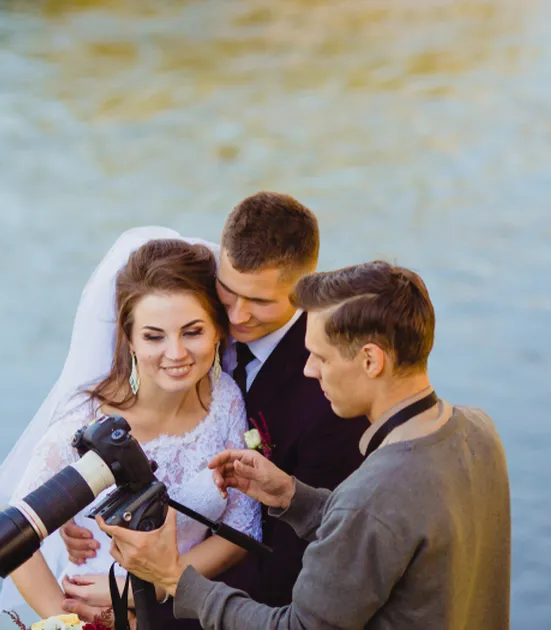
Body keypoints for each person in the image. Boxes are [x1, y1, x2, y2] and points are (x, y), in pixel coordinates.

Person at [96, 261, 512, 629]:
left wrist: (173, 578)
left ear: (371, 361)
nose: (310, 370)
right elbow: (385, 532)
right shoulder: (477, 429)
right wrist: (293, 497)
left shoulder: (371, 497)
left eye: (321, 357)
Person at [60, 192, 370, 611]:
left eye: (260, 302)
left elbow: (285, 560)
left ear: (305, 289)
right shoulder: (194, 317)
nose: (237, 316)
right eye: (227, 292)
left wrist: (146, 604)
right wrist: (71, 515)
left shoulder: (326, 397)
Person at [0, 230, 261, 630]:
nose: (176, 353)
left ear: (218, 329)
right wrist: (64, 619)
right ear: (128, 338)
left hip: (187, 612)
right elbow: (8, 534)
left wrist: (150, 585)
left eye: (192, 331)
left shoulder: (226, 399)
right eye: (153, 336)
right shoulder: (88, 421)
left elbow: (240, 530)